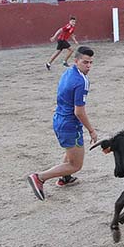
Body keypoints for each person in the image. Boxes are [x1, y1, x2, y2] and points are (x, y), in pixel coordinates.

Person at [27, 46, 98, 200]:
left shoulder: (68, 72)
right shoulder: (82, 81)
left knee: (71, 152)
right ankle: (39, 177)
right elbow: (78, 112)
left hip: (58, 120)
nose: (89, 66)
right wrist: (91, 130)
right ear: (76, 60)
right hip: (70, 125)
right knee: (76, 165)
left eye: (91, 63)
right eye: (85, 62)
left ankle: (65, 178)